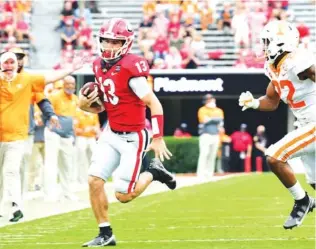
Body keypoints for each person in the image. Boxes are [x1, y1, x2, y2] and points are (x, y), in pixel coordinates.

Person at [78, 18, 175, 247]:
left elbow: (154, 103)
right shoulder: (97, 65)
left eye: (115, 41)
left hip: (134, 137)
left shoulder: (133, 66)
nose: (109, 46)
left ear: (126, 43)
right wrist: (86, 106)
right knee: (94, 180)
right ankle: (105, 233)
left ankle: (153, 171)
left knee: (123, 195)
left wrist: (159, 137)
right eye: (106, 41)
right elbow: (108, 103)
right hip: (111, 132)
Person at [238, 20, 315, 229]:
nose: (263, 46)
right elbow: (272, 101)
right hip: (305, 124)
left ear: (280, 42)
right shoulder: (274, 67)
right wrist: (254, 102)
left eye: (266, 41)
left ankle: (302, 201)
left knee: (275, 156)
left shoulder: (296, 60)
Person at [0, 48, 85, 222]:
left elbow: (47, 85)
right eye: (7, 62)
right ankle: (3, 206)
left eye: (14, 61)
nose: (10, 65)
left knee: (12, 170)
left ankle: (16, 204)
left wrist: (71, 68)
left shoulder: (28, 79)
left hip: (19, 134)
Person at [44, 76, 79, 201]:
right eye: (68, 83)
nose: (70, 86)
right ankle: (49, 194)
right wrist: (47, 123)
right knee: (51, 163)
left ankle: (67, 192)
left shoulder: (75, 99)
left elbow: (74, 118)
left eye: (72, 84)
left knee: (67, 164)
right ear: (63, 84)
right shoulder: (55, 96)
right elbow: (45, 110)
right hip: (53, 133)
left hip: (67, 135)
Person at [196, 94, 224, 179]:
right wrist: (215, 119)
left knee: (212, 155)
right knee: (204, 154)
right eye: (208, 100)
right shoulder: (202, 110)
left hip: (215, 135)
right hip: (205, 135)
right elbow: (204, 120)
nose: (211, 101)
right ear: (205, 101)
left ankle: (209, 173)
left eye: (211, 99)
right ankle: (200, 174)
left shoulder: (219, 110)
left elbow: (221, 121)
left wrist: (211, 119)